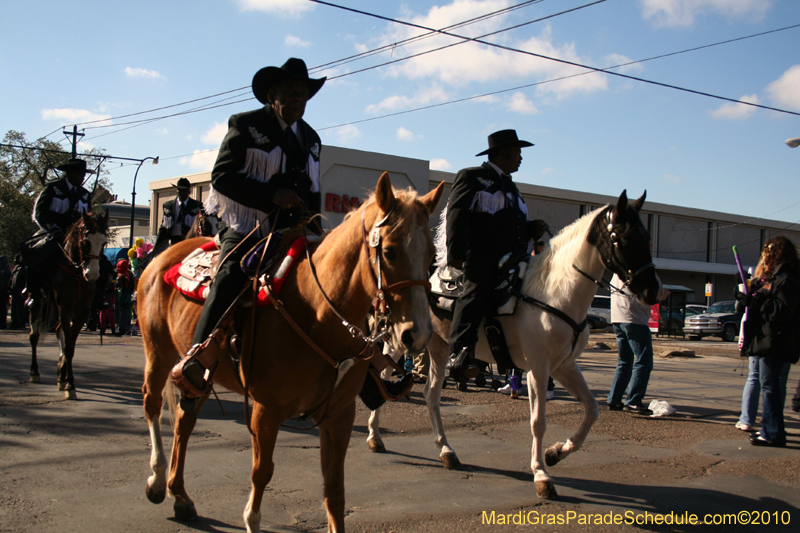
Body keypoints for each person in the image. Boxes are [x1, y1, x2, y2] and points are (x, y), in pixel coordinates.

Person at [175, 58, 325, 405]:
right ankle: (196, 361)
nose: (297, 101)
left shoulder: (312, 138)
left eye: (303, 94)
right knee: (230, 274)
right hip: (248, 225)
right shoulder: (246, 125)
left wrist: (316, 226)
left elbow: (314, 190)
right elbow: (222, 177)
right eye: (290, 93)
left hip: (294, 227)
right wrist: (271, 195)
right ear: (271, 94)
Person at [440, 129, 548, 380]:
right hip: (481, 254)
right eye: (517, 153)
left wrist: (531, 228)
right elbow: (457, 214)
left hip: (513, 256)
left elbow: (511, 224)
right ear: (502, 153)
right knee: (475, 291)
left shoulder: (513, 188)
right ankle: (459, 352)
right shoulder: (472, 177)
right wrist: (455, 253)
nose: (521, 158)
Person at [736, 236, 799, 447]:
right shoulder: (780, 277)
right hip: (773, 340)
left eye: (769, 252)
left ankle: (772, 433)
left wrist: (755, 303)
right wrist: (751, 299)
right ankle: (770, 430)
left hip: (775, 341)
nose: (766, 256)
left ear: (777, 253)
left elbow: (780, 311)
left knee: (770, 387)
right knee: (771, 387)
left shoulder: (786, 279)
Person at [22, 158, 93, 308]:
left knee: (97, 257)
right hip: (52, 232)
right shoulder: (53, 188)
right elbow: (39, 212)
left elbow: (88, 217)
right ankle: (33, 293)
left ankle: (98, 298)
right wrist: (52, 227)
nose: (82, 178)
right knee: (38, 252)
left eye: (83, 175)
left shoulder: (85, 194)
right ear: (70, 173)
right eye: (79, 174)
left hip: (75, 237)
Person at [607, 273, 669, 414]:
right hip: (635, 319)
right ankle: (633, 401)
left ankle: (614, 399)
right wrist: (661, 295)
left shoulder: (617, 272)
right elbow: (646, 295)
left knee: (624, 361)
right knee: (644, 361)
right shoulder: (637, 268)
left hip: (618, 318)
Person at [153, 178, 201, 250]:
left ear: (189, 191)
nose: (182, 193)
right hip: (173, 242)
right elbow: (163, 228)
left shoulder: (197, 205)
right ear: (177, 190)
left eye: (184, 190)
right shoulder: (168, 206)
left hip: (190, 242)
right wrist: (156, 248)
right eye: (180, 190)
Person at [9, 254, 27, 329]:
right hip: (14, 292)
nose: (15, 260)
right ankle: (14, 322)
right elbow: (11, 279)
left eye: (16, 259)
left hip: (20, 292)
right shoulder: (16, 268)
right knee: (14, 309)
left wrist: (21, 289)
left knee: (20, 309)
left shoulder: (24, 269)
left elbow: (24, 281)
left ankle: (21, 323)